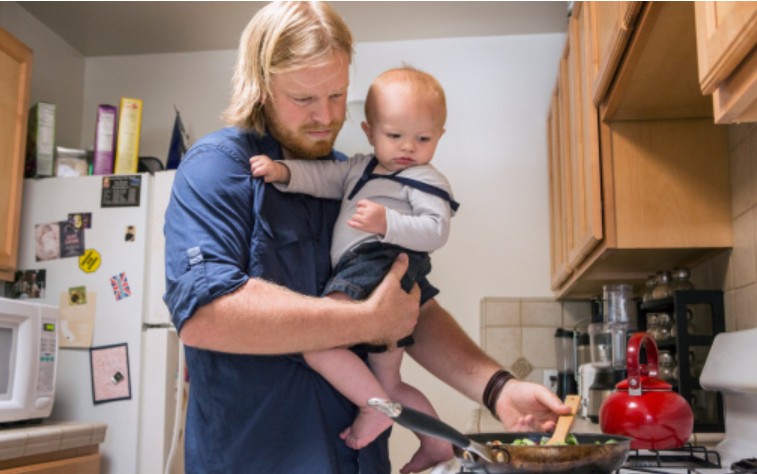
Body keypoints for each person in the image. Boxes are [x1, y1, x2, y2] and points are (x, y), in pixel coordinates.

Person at [163, 2, 571, 474]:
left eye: (337, 95)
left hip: (358, 458)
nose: (325, 116)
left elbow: (406, 306)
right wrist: (363, 320)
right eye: (304, 99)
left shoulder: (355, 173)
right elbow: (205, 315)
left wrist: (498, 389)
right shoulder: (218, 168)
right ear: (260, 86)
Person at [250, 66, 457, 471]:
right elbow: (321, 177)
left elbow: (436, 231)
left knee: (317, 341)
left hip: (378, 265)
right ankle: (436, 441)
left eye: (423, 138)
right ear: (369, 131)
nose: (408, 148)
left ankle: (373, 406)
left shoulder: (425, 179)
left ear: (440, 137)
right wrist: (283, 172)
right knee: (391, 380)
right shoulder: (358, 168)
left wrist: (387, 223)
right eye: (394, 136)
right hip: (378, 273)